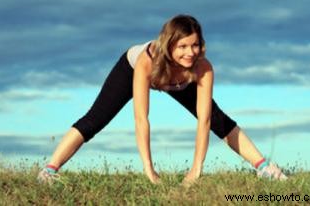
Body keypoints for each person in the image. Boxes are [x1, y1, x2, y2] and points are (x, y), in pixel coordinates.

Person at [38, 14, 287, 185]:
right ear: (170, 46)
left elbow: (205, 120)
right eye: (183, 46)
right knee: (95, 119)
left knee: (219, 120)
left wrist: (196, 169)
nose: (190, 52)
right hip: (136, 69)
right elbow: (141, 119)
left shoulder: (202, 68)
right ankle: (49, 171)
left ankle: (264, 167)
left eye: (195, 45)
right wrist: (149, 170)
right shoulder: (147, 60)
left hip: (180, 79)